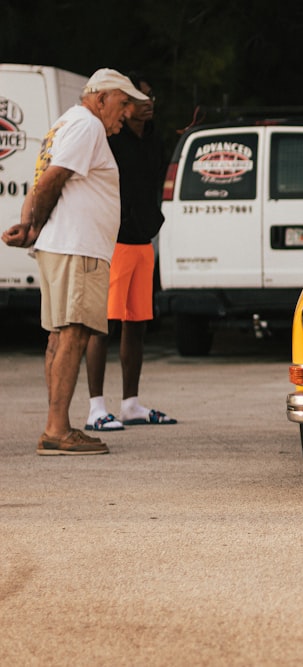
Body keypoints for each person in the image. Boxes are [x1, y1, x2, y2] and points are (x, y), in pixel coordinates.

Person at [2, 68, 148, 455]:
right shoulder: (87, 126)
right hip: (76, 247)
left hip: (62, 245)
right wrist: (32, 228)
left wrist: (31, 226)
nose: (127, 113)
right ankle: (57, 429)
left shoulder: (64, 124)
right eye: (123, 103)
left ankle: (57, 425)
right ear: (100, 98)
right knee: (74, 332)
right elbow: (52, 179)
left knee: (59, 334)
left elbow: (40, 182)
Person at [85, 72, 176, 431]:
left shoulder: (154, 140)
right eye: (141, 97)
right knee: (101, 325)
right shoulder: (111, 138)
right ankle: (95, 408)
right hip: (116, 240)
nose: (149, 103)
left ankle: (131, 404)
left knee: (136, 324)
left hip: (143, 242)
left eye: (152, 97)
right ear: (126, 101)